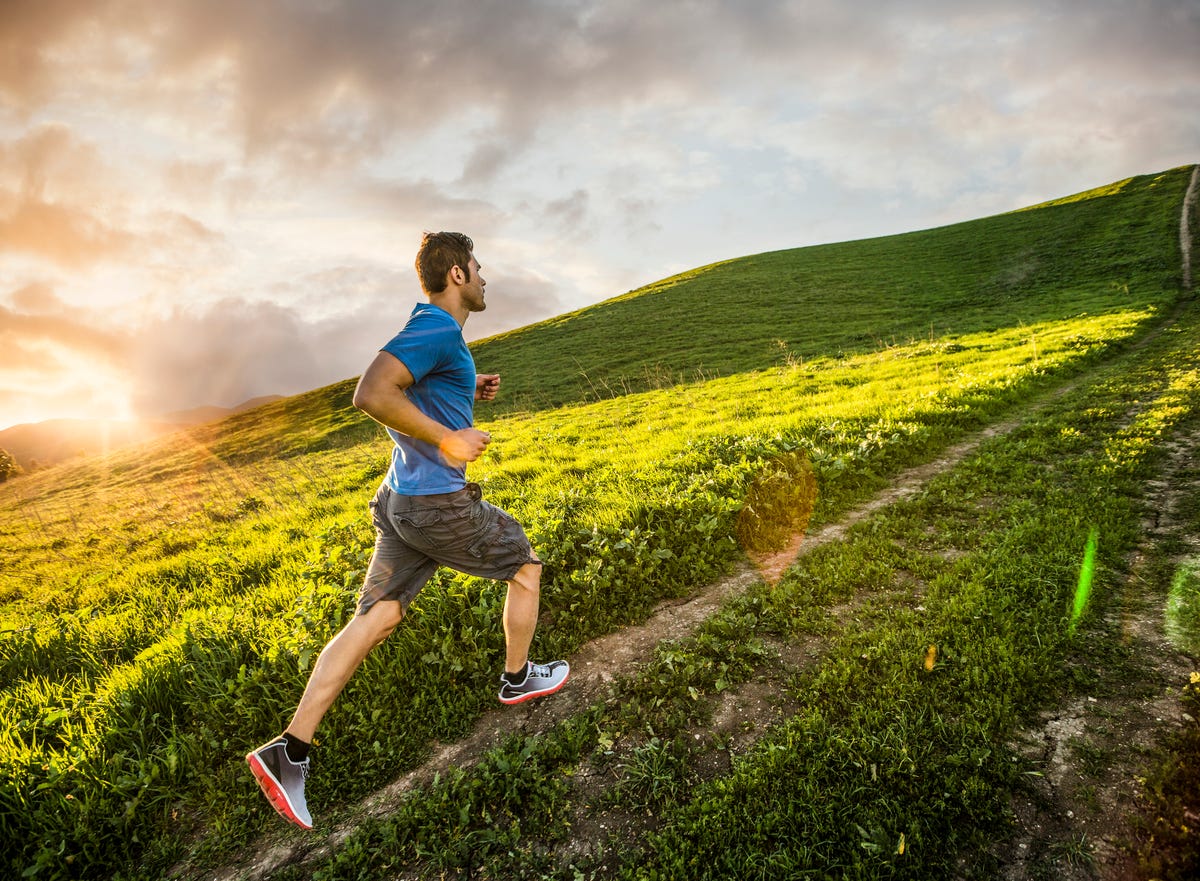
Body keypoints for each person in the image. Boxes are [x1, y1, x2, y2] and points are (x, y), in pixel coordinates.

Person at [246, 231, 569, 830]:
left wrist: (464, 391)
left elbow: (409, 386)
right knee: (525, 567)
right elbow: (371, 393)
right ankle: (518, 679)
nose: (483, 276)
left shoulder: (434, 333)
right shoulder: (438, 328)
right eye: (476, 267)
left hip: (400, 500)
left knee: (379, 616)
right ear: (455, 274)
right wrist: (447, 438)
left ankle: (289, 750)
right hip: (435, 506)